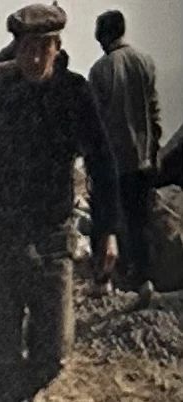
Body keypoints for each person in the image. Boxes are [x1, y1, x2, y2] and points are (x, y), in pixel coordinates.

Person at [0, 4, 121, 401]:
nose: (35, 59)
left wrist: (107, 231)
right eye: (27, 49)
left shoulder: (74, 93)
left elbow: (102, 164)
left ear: (57, 46)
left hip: (53, 239)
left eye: (43, 49)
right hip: (0, 242)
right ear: (15, 48)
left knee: (53, 354)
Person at [89, 10, 163, 289]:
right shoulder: (145, 62)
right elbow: (154, 113)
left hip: (114, 161)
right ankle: (143, 276)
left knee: (110, 219)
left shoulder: (100, 70)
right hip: (143, 157)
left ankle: (114, 275)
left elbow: (94, 121)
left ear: (103, 35)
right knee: (139, 220)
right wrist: (154, 152)